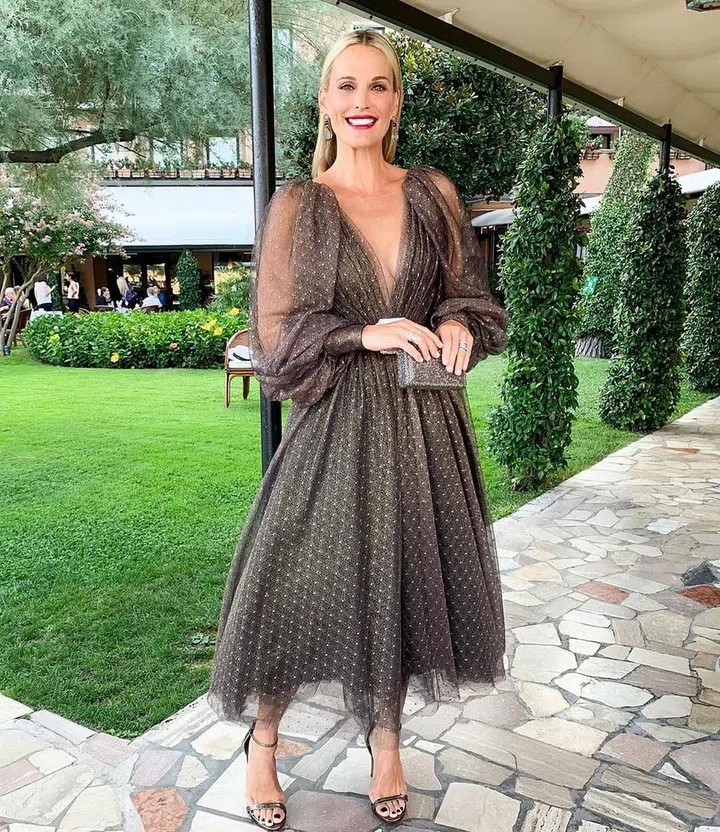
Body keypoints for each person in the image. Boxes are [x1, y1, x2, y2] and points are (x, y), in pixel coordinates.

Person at [207, 29, 508, 831]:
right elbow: (276, 335)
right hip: (337, 423)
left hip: (424, 423)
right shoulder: (301, 206)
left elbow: (468, 295)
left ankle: (387, 742)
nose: (362, 102)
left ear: (396, 101)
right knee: (295, 584)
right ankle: (263, 742)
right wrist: (363, 332)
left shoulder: (432, 194)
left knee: (406, 585)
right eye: (346, 85)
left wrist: (457, 323)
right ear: (325, 101)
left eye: (378, 86)